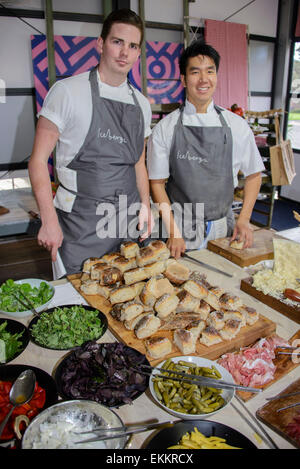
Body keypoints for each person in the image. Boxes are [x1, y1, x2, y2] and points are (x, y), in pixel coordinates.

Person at [29, 9, 153, 277]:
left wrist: (146, 206)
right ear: (100, 44)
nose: (124, 53)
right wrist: (48, 220)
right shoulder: (67, 93)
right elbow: (38, 161)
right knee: (80, 306)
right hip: (79, 226)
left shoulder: (141, 104)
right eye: (117, 42)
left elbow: (139, 163)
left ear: (138, 53)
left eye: (132, 46)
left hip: (125, 225)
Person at [147, 40, 265, 258]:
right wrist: (174, 231)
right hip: (180, 228)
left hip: (224, 228)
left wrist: (244, 218)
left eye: (210, 71)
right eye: (195, 72)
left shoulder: (236, 125)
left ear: (216, 77)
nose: (203, 79)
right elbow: (157, 183)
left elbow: (254, 175)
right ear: (183, 79)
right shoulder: (166, 128)